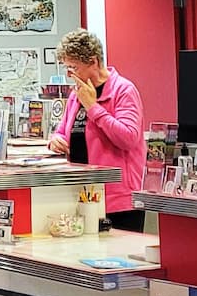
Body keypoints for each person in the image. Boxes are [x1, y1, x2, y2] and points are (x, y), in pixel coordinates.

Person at [47, 29, 147, 230]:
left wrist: (93, 107)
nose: (69, 74)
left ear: (93, 61)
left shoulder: (123, 90)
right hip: (83, 194)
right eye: (66, 67)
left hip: (118, 201)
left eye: (73, 67)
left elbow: (128, 138)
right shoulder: (77, 94)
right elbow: (62, 130)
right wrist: (55, 140)